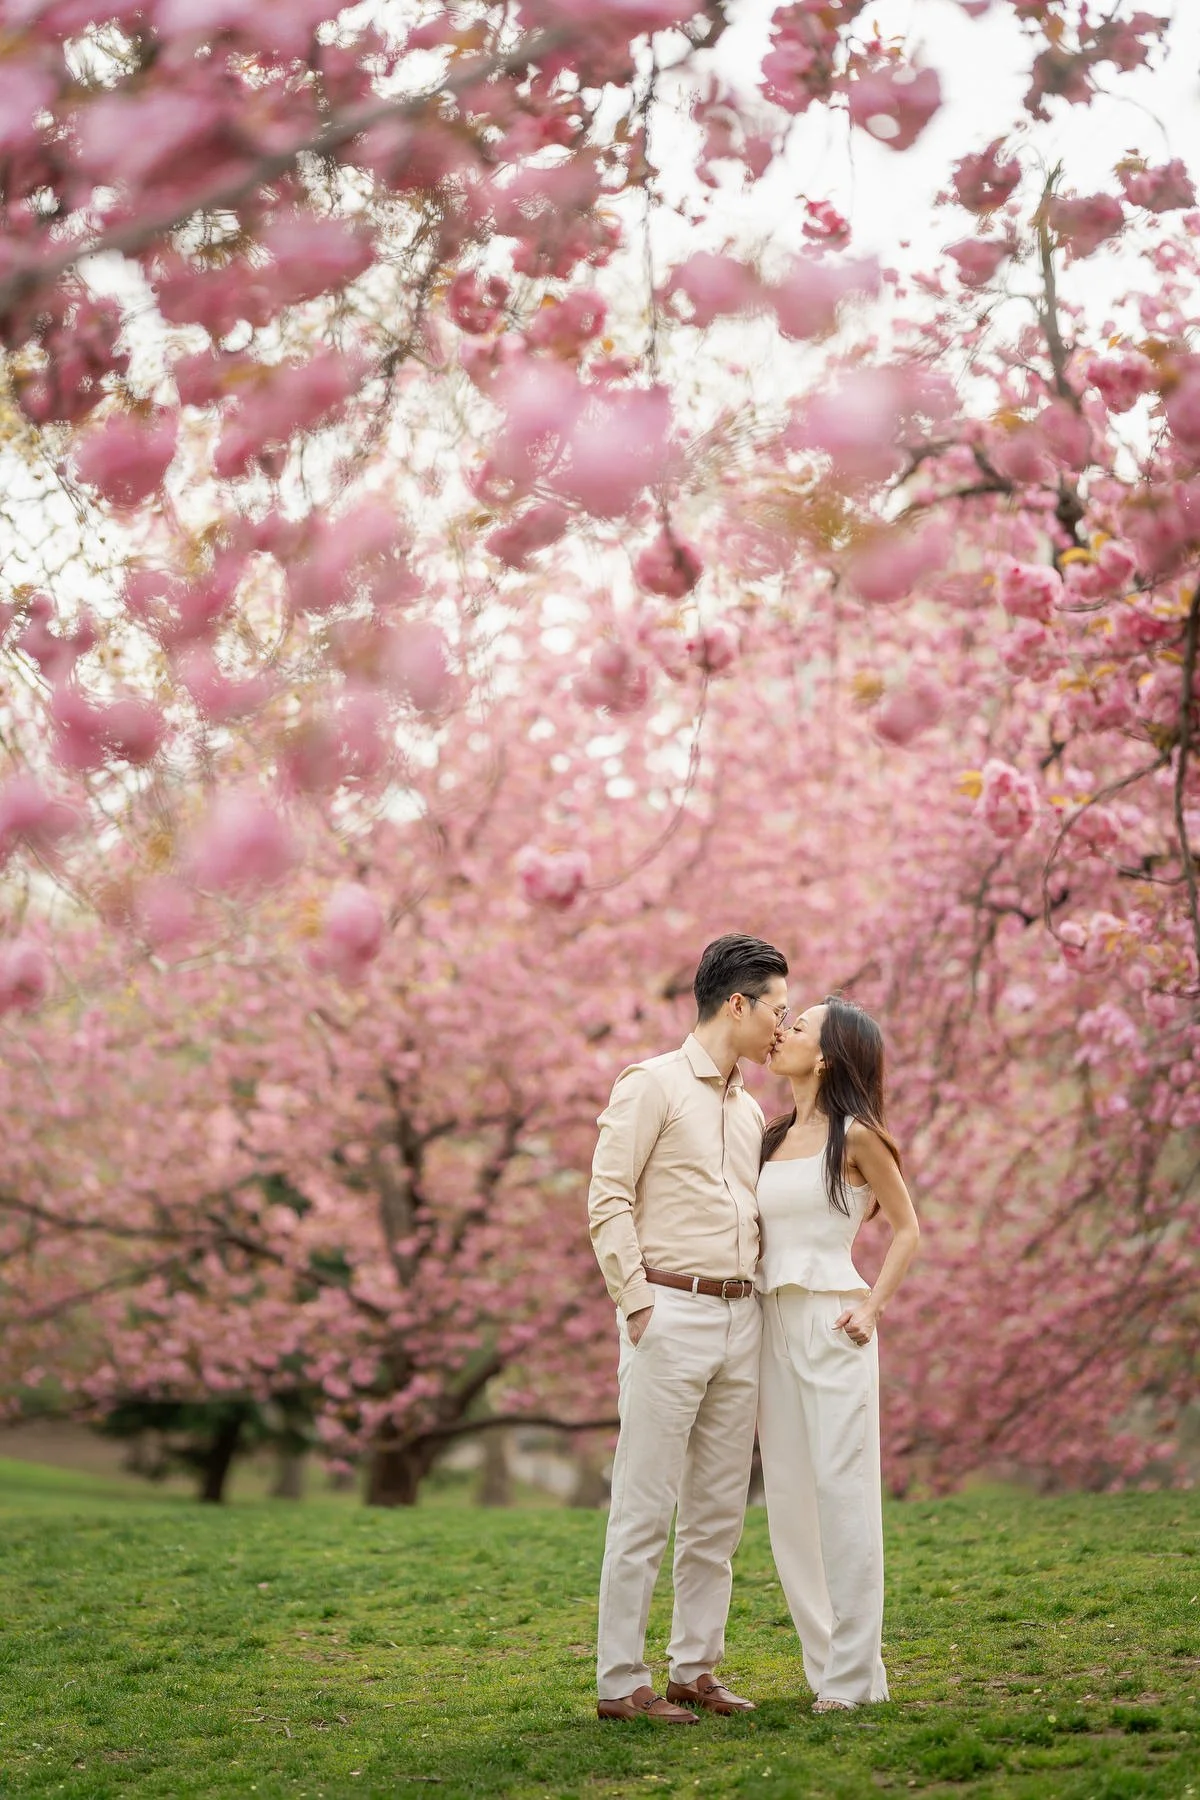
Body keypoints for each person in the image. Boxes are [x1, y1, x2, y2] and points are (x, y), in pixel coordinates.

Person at [587, 933, 789, 1723]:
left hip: (743, 1317)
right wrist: (637, 1302)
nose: (783, 1023)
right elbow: (608, 1198)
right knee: (644, 1504)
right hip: (669, 1311)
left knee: (717, 1514)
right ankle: (618, 1682)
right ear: (736, 1003)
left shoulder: (750, 1108)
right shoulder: (651, 1085)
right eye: (775, 1007)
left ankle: (693, 1670)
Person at [757, 996, 920, 1713]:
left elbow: (910, 1229)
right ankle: (825, 1668)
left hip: (832, 1324)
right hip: (770, 1326)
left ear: (825, 1056)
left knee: (843, 1497)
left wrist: (872, 1306)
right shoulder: (767, 1139)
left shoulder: (857, 1138)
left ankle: (857, 1677)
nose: (780, 1031)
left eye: (797, 1026)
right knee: (789, 1505)